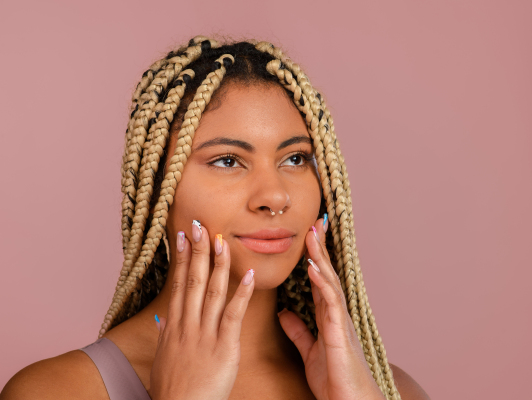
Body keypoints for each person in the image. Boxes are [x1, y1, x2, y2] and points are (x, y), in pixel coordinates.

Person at [0, 36, 430, 400]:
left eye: (296, 158)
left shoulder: (390, 390)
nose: (275, 196)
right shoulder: (58, 390)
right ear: (158, 193)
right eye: (228, 160)